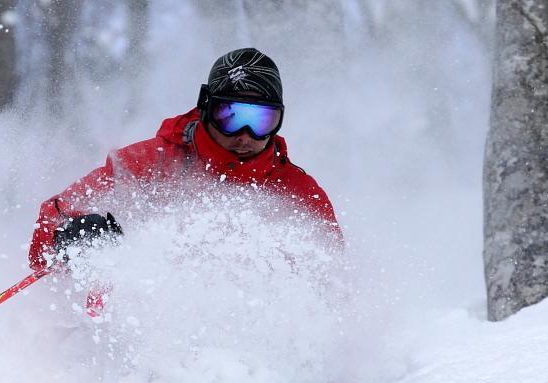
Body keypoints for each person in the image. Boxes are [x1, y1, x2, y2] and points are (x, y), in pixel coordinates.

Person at [29, 48, 343, 313]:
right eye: (231, 116)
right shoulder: (151, 163)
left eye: (261, 120)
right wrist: (68, 234)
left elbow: (334, 279)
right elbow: (54, 218)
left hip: (252, 339)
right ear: (207, 107)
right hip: (137, 336)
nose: (245, 135)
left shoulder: (296, 193)